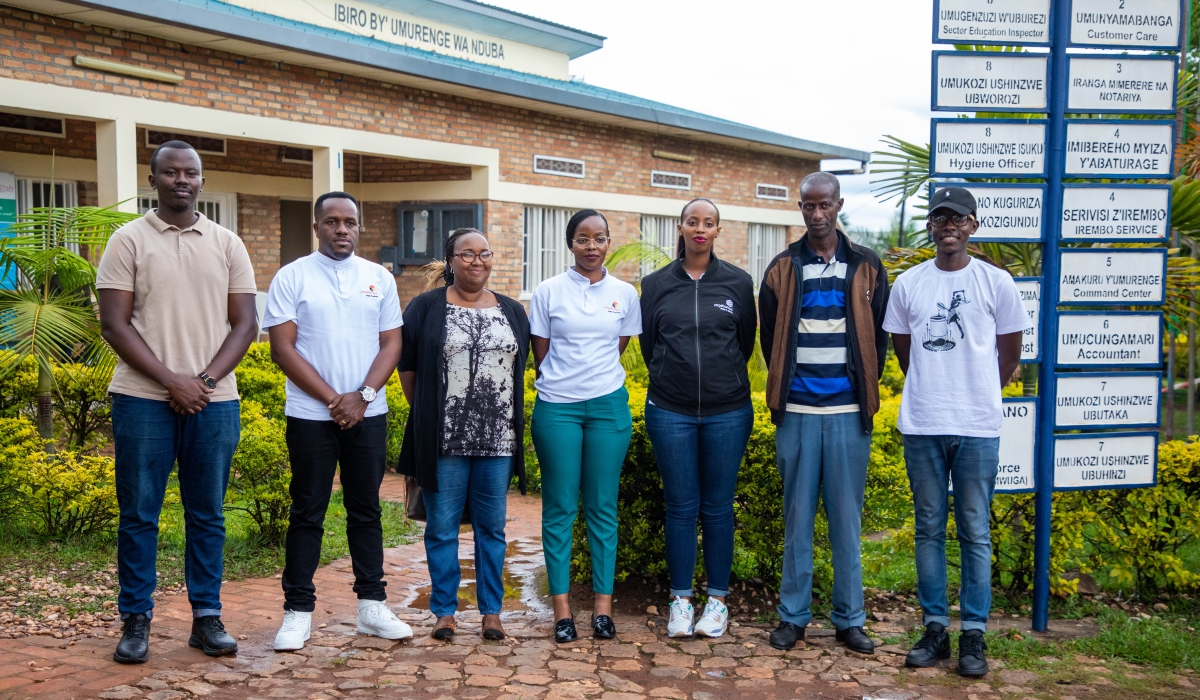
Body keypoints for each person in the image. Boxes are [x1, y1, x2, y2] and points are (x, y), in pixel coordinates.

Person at [97, 141, 258, 663]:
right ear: (154, 179)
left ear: (202, 181)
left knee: (207, 513)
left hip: (215, 401)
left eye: (191, 173)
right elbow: (113, 325)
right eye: (171, 172)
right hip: (142, 399)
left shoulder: (227, 242)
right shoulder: (127, 241)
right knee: (139, 513)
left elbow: (246, 324)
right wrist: (173, 381)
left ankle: (206, 618)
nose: (181, 180)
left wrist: (204, 381)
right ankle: (136, 620)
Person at [883, 186, 1029, 678]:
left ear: (973, 225)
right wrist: (936, 385)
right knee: (929, 528)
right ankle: (934, 629)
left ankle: (974, 635)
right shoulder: (909, 284)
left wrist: (976, 388)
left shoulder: (996, 282)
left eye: (958, 218)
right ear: (930, 226)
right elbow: (905, 352)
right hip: (923, 421)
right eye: (940, 217)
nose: (949, 225)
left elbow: (1009, 355)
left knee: (975, 529)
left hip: (976, 424)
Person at [262, 192, 411, 650]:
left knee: (365, 509)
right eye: (332, 222)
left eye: (350, 222)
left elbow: (392, 343)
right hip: (310, 415)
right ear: (317, 227)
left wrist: (362, 397)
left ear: (359, 227)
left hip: (369, 413)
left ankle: (371, 607)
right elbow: (283, 348)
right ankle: (297, 610)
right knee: (307, 510)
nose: (342, 229)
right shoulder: (292, 277)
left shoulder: (378, 278)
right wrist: (334, 400)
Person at [758, 172, 889, 653]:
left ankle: (850, 619)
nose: (817, 214)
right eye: (809, 206)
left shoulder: (867, 266)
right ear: (800, 208)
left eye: (825, 205)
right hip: (796, 411)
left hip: (849, 412)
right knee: (798, 521)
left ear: (839, 205)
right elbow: (770, 335)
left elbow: (879, 336)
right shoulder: (781, 268)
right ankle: (792, 617)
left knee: (846, 522)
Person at [398, 228, 530, 641]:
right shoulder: (424, 307)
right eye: (467, 254)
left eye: (484, 253)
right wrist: (429, 418)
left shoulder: (512, 311)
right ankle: (444, 612)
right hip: (445, 441)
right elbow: (408, 371)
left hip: (498, 442)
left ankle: (492, 612)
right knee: (442, 527)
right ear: (450, 260)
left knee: (492, 529)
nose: (477, 261)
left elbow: (518, 369)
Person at [639, 197, 757, 638]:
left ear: (718, 230)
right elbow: (650, 344)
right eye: (693, 222)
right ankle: (681, 601)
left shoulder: (738, 282)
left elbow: (744, 344)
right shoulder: (655, 285)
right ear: (682, 227)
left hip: (729, 411)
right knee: (681, 507)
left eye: (709, 223)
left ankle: (718, 602)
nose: (700, 229)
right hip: (671, 410)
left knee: (718, 508)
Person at [530, 209, 641, 643]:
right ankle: (561, 612)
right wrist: (566, 381)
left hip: (608, 407)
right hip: (557, 406)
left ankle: (601, 609)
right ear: (570, 243)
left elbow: (619, 345)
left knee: (602, 508)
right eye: (582, 238)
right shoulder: (548, 291)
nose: (591, 246)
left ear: (608, 243)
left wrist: (592, 381)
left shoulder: (625, 293)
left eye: (599, 238)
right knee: (559, 509)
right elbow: (541, 351)